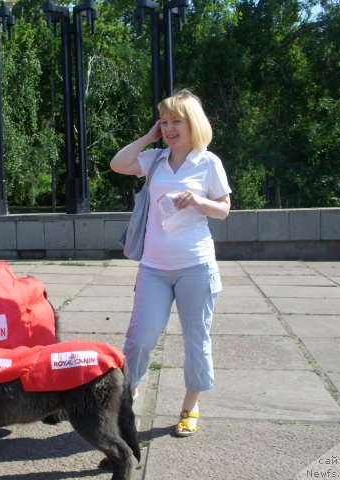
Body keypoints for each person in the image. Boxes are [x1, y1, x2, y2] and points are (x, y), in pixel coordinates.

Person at [110, 90, 231, 437]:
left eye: (176, 120)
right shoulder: (156, 159)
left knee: (196, 338)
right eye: (164, 121)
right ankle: (127, 398)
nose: (169, 127)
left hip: (196, 265)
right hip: (154, 267)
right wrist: (149, 137)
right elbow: (118, 164)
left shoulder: (208, 162)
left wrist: (197, 201)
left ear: (193, 123)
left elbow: (223, 210)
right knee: (140, 337)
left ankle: (190, 407)